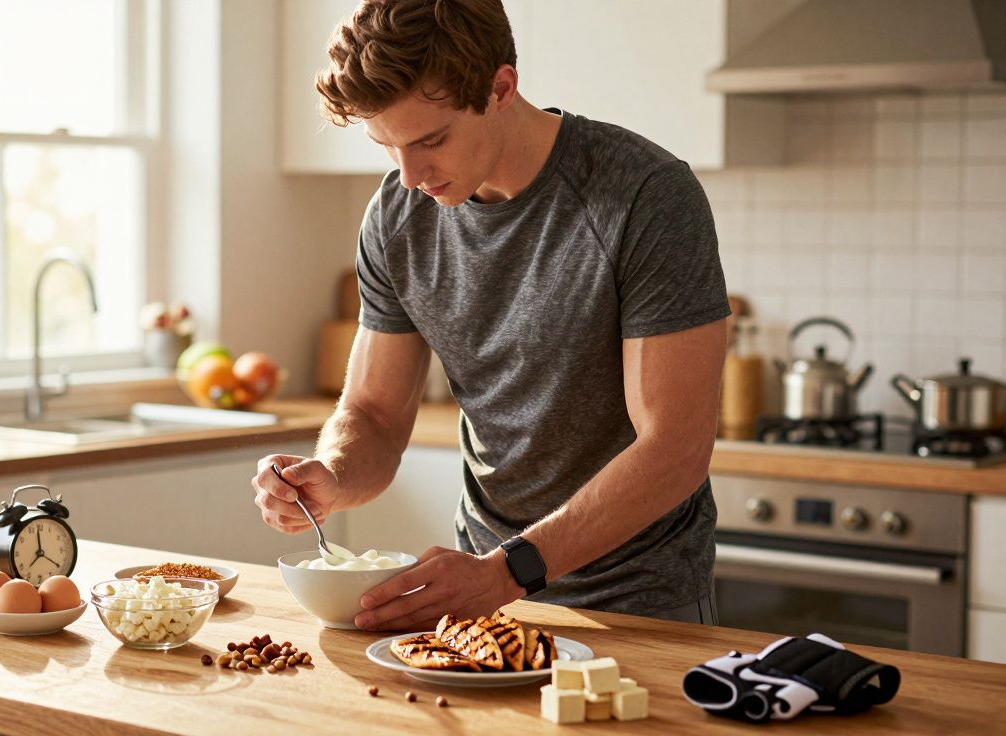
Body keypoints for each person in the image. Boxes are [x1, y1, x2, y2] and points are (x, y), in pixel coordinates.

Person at [251, 0, 729, 631]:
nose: (409, 175)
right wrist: (332, 477)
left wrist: (507, 570)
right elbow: (372, 413)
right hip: (483, 599)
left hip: (639, 602)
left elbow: (674, 449)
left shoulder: (644, 195)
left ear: (502, 87)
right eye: (386, 145)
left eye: (431, 140)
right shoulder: (397, 216)